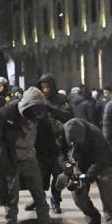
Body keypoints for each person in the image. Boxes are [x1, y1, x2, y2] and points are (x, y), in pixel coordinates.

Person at [0, 87, 64, 224]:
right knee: (12, 199)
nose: (36, 114)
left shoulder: (41, 111)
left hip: (30, 158)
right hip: (10, 159)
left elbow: (51, 127)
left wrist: (58, 130)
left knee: (39, 195)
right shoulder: (10, 110)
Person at [58, 118, 112, 224]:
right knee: (78, 195)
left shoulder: (95, 133)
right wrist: (68, 169)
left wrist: (86, 178)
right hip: (81, 163)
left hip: (102, 164)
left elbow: (102, 159)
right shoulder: (62, 133)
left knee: (107, 197)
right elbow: (60, 153)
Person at [36, 73, 73, 214]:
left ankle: (56, 201)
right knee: (39, 176)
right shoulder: (38, 99)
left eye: (47, 86)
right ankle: (38, 200)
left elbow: (68, 116)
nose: (45, 89)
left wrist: (51, 110)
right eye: (42, 87)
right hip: (42, 144)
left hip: (59, 143)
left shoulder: (61, 99)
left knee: (58, 175)